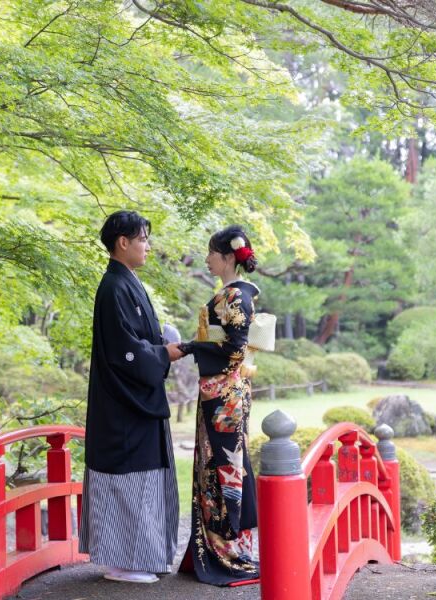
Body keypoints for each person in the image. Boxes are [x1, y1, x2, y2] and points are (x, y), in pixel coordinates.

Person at [78, 210, 184, 584]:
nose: (148, 247)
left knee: (140, 481)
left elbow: (140, 341)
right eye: (143, 240)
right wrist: (163, 353)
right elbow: (126, 350)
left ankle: (135, 558)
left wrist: (160, 347)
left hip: (133, 400)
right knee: (128, 482)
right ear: (122, 242)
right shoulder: (113, 288)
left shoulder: (126, 283)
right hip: (123, 405)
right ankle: (124, 562)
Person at [177, 225, 261, 586]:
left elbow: (236, 348)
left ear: (228, 257)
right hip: (221, 392)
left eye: (212, 253)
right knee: (221, 464)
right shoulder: (229, 294)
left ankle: (227, 548)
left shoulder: (237, 296)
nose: (208, 258)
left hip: (224, 394)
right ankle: (219, 544)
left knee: (224, 467)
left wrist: (195, 347)